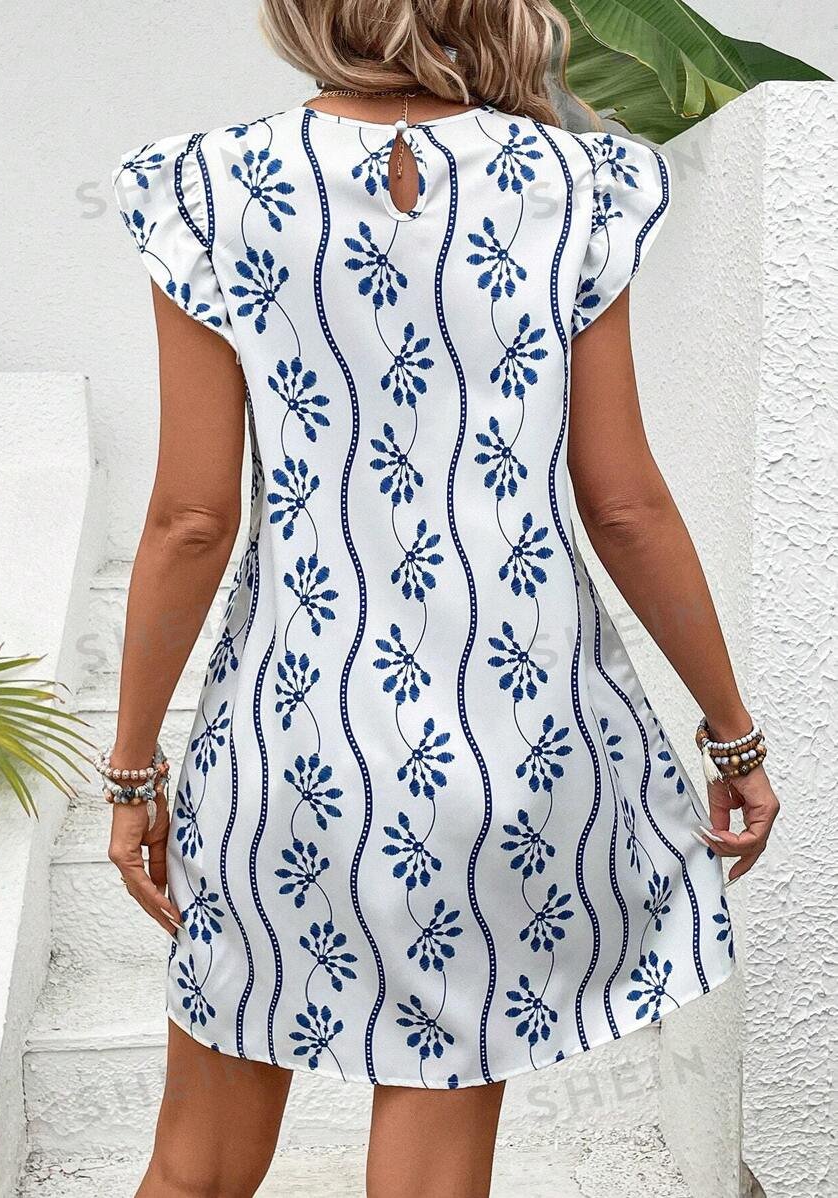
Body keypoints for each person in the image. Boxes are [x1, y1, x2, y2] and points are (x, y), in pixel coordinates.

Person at [107, 2, 779, 1194]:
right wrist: (731, 736)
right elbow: (625, 504)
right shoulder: (573, 186)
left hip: (286, 751)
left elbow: (190, 519)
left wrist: (132, 770)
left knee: (196, 1165)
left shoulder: (210, 187)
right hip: (507, 754)